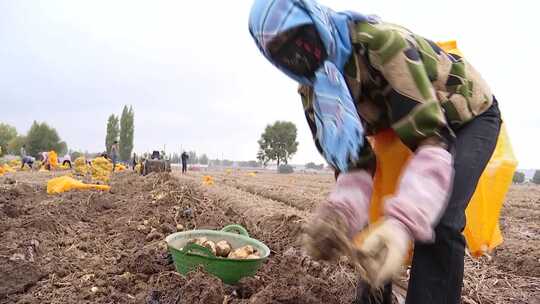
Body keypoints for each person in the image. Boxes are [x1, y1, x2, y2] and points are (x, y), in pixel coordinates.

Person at [248, 1, 501, 303]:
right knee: (371, 221)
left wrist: (402, 224)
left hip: (463, 117)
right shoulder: (315, 92)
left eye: (300, 37)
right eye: (282, 53)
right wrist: (339, 214)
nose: (298, 54)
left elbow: (431, 142)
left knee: (440, 218)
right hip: (397, 126)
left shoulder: (382, 45)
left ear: (314, 19)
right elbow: (355, 166)